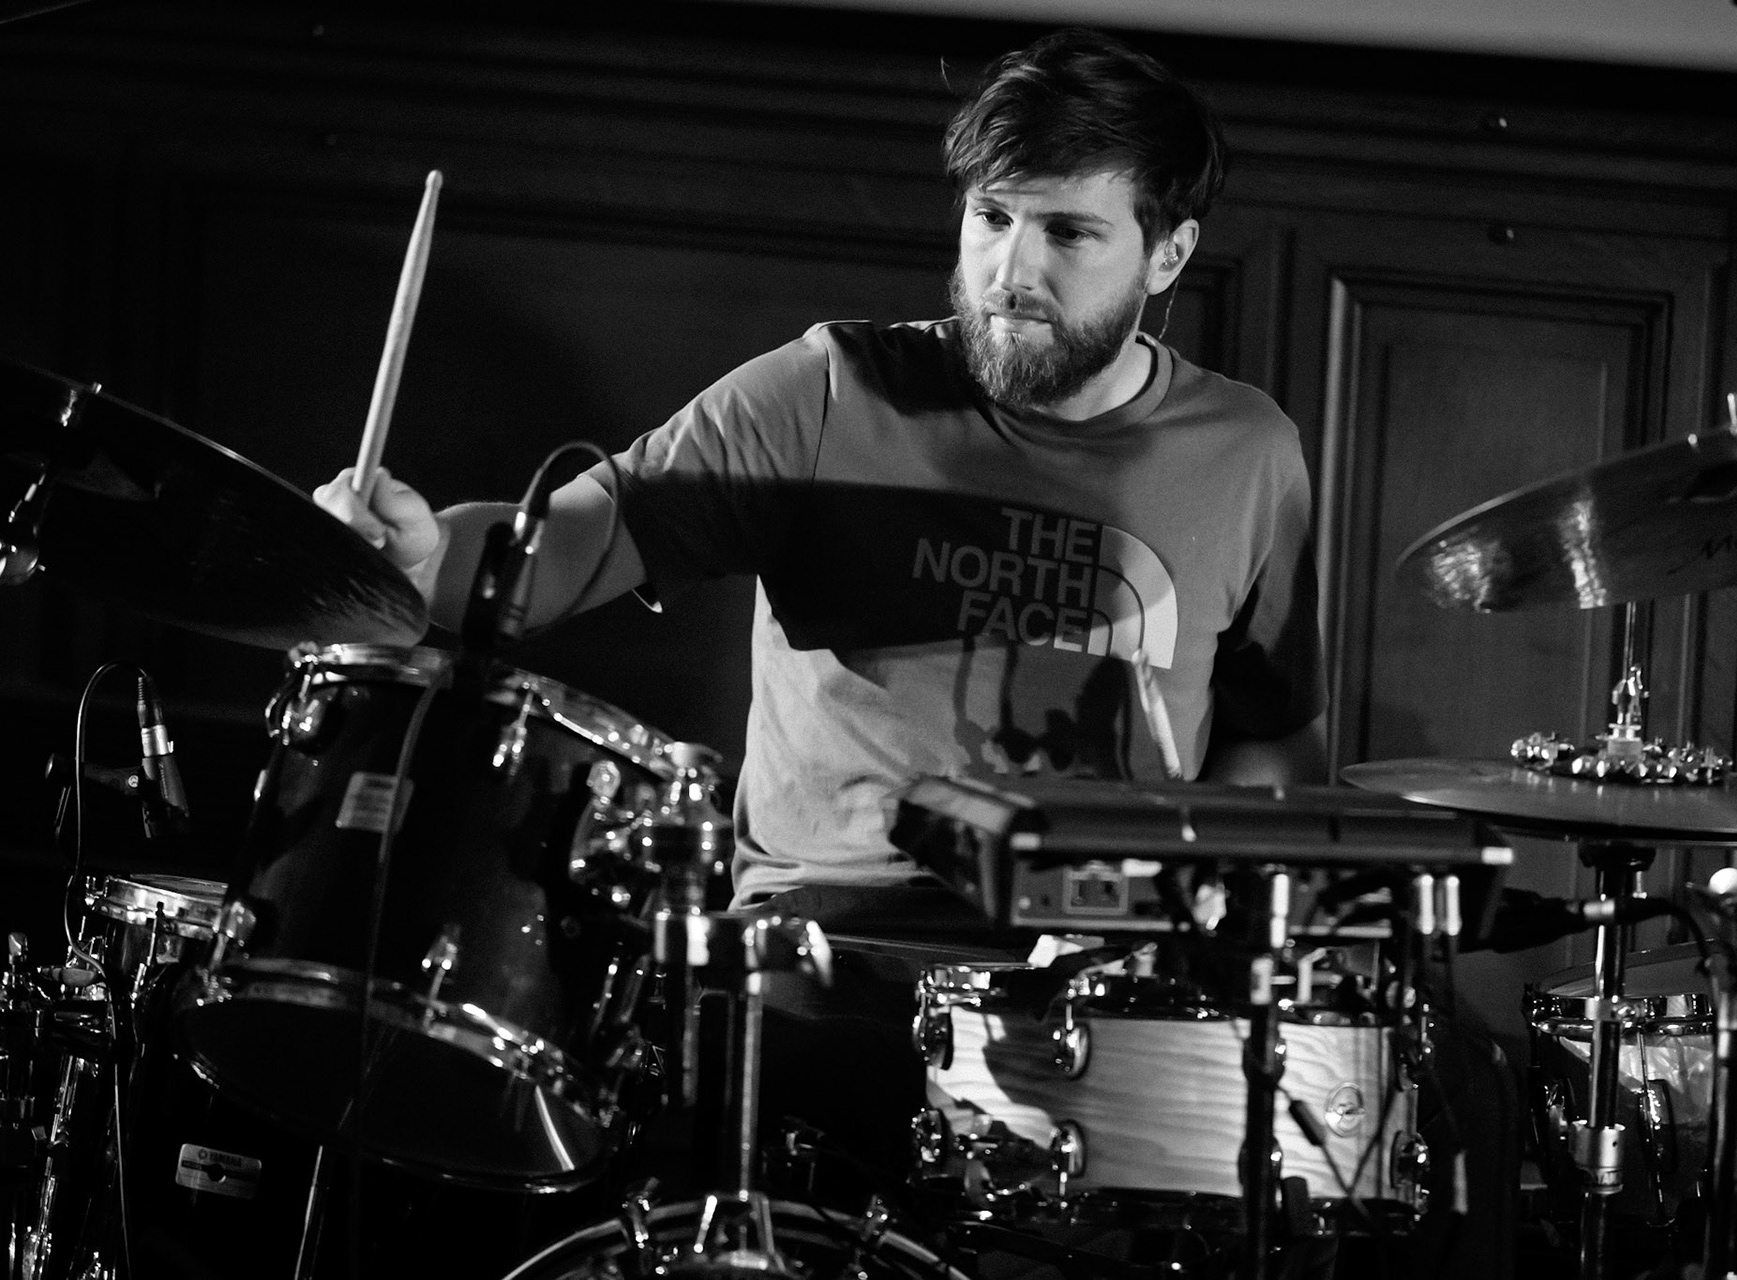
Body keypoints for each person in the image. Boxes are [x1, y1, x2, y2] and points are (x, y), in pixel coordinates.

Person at [318, 21, 1327, 1231]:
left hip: (1102, 996)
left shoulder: (1250, 452)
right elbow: (570, 542)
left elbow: (1267, 751)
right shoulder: (831, 392)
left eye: (1068, 232)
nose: (1012, 269)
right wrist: (431, 556)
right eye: (992, 217)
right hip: (824, 965)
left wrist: (1253, 950)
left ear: (1168, 253)